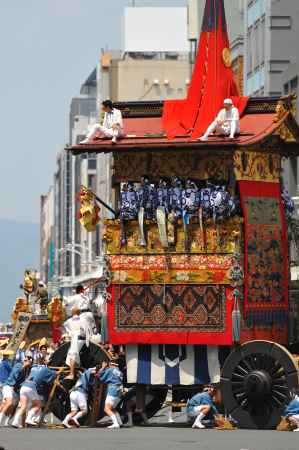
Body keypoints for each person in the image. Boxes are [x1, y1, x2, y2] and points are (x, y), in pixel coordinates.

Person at [12, 364, 56, 428]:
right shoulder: (45, 369)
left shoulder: (33, 368)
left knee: (23, 406)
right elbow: (53, 376)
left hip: (23, 386)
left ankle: (15, 421)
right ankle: (29, 419)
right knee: (38, 405)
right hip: (31, 387)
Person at [0, 356, 33, 427]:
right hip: (8, 385)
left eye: (27, 361)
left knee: (14, 406)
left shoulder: (28, 370)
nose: (25, 362)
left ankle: (7, 421)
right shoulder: (19, 365)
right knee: (9, 402)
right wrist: (23, 366)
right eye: (25, 360)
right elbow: (15, 374)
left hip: (16, 389)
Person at [99, 360, 123, 429]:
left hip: (113, 390)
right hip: (120, 392)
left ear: (110, 364)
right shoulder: (120, 372)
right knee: (112, 408)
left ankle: (115, 423)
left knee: (106, 409)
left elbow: (101, 377)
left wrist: (103, 368)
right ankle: (119, 422)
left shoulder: (110, 370)